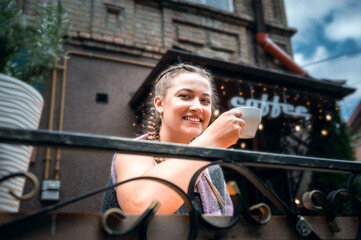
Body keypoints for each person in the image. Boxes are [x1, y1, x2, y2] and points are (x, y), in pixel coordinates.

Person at [111, 63, 245, 215]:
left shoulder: (213, 170)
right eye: (185, 96)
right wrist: (210, 141)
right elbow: (141, 206)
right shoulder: (133, 152)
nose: (197, 107)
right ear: (159, 104)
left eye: (205, 101)